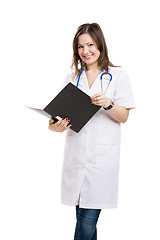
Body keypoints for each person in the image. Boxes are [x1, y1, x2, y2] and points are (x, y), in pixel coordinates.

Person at [48, 23, 135, 240]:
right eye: (80, 47)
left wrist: (108, 103)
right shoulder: (72, 76)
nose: (85, 51)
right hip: (76, 157)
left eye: (90, 45)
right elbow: (56, 117)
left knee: (86, 222)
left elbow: (124, 116)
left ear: (100, 45)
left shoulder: (118, 75)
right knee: (82, 218)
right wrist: (54, 126)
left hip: (101, 160)